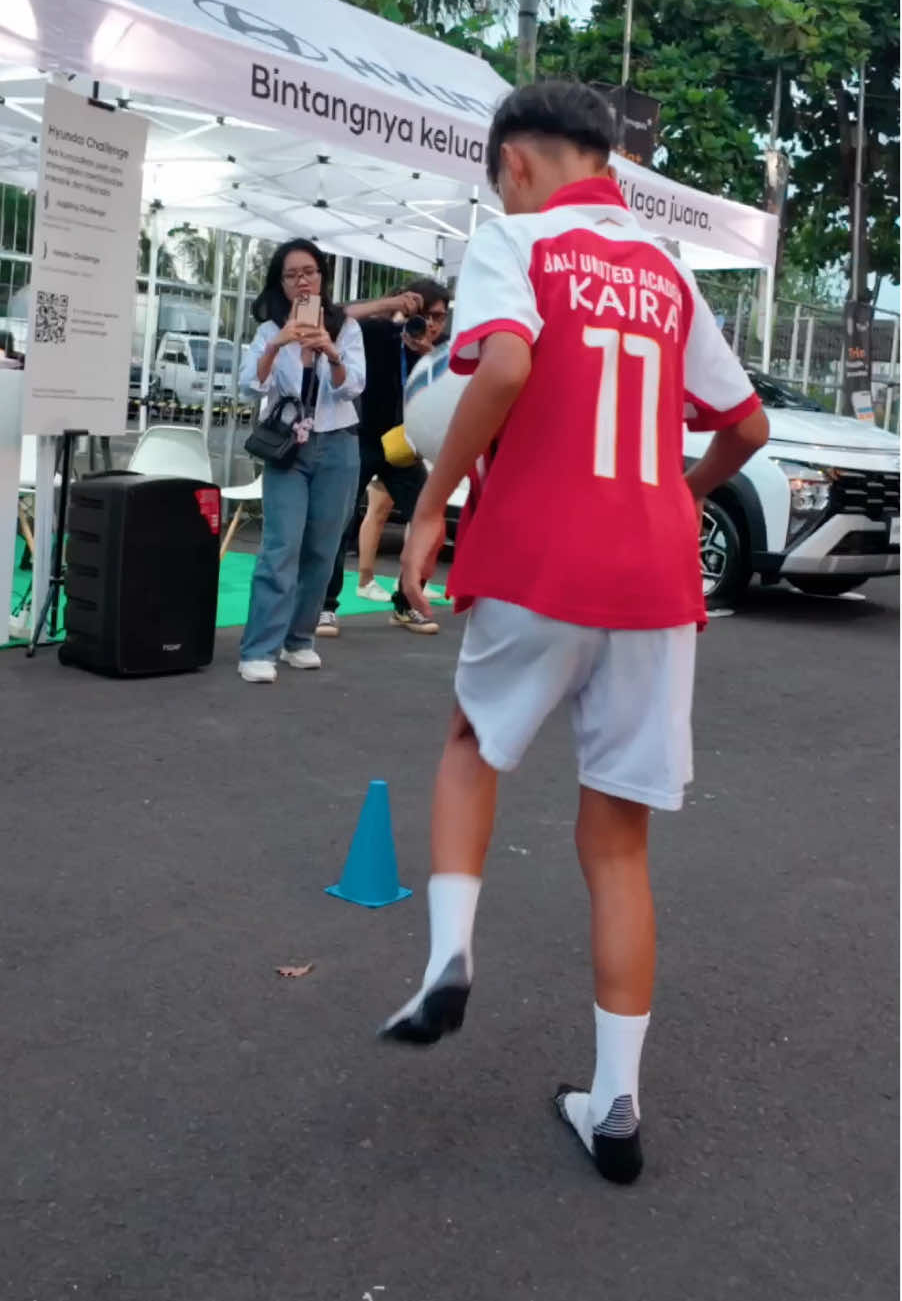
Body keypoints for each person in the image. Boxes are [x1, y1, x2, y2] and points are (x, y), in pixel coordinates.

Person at [379, 81, 770, 1186]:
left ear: (514, 164)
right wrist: (685, 492)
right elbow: (747, 424)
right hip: (654, 579)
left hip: (541, 556)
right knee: (619, 848)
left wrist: (430, 503)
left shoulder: (516, 241)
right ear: (610, 162)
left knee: (473, 745)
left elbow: (501, 365)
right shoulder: (668, 273)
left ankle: (452, 954)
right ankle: (616, 1105)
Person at [237, 240, 365, 684]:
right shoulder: (268, 330)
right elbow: (249, 387)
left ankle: (299, 640)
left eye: (308, 272)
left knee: (322, 549)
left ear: (322, 278)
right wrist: (277, 344)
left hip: (338, 446)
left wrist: (330, 351)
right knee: (281, 545)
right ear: (282, 284)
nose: (302, 281)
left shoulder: (345, 328)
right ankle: (259, 648)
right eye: (291, 275)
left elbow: (354, 387)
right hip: (288, 448)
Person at [317, 279, 449, 639]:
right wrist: (386, 306)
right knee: (340, 521)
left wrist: (427, 355)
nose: (432, 325)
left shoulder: (438, 353)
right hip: (358, 437)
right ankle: (324, 607)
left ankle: (407, 604)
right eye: (424, 316)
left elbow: (452, 393)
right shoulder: (376, 332)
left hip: (402, 447)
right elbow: (334, 314)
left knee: (431, 520)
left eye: (439, 317)